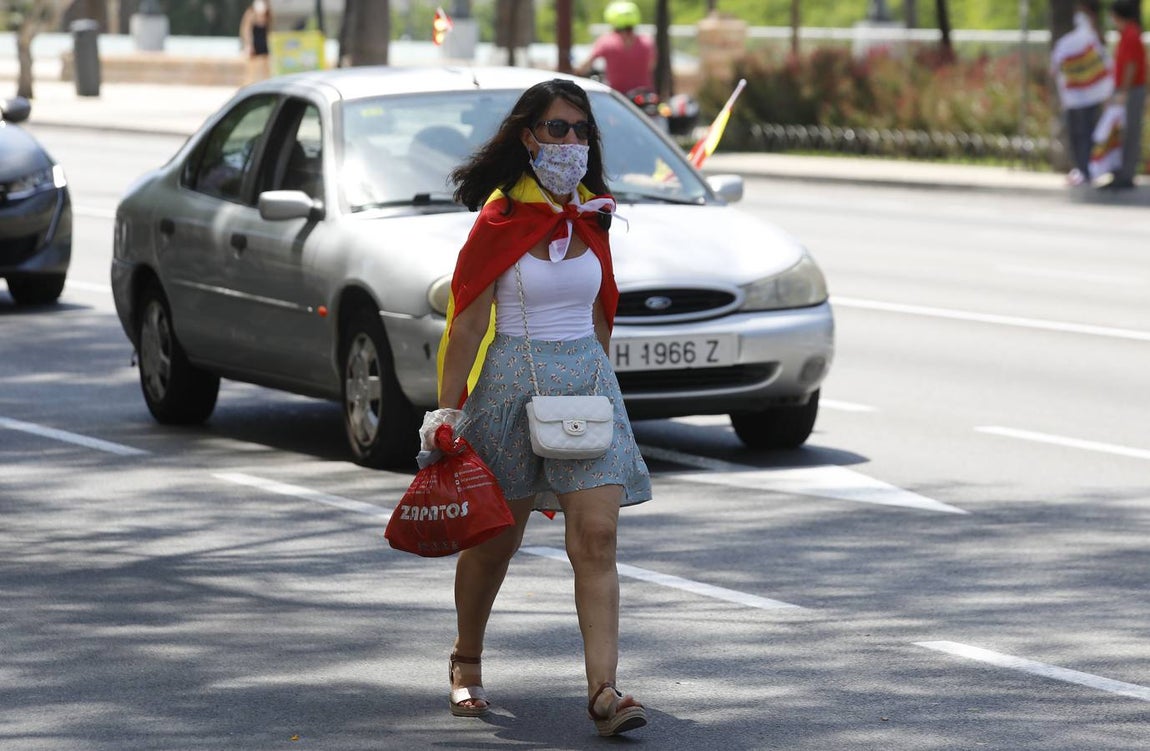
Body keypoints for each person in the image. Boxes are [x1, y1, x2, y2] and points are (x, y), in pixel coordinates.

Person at [432, 78, 652, 736]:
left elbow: (599, 308)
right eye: (558, 129)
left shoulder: (593, 214)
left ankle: (604, 692)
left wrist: (604, 381)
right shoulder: (501, 218)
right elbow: (466, 324)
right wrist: (444, 413)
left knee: (598, 537)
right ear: (528, 136)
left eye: (581, 131)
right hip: (510, 385)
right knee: (496, 543)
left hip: (585, 382)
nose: (572, 142)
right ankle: (466, 662)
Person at [1050, 1, 1113, 186]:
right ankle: (1082, 169)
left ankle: (1086, 170)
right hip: (1078, 97)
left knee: (1085, 134)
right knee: (1079, 135)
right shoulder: (1072, 38)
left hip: (1086, 97)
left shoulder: (1092, 36)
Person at [1104, 0, 1146, 189]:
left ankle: (1127, 175)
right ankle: (1119, 171)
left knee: (1130, 133)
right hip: (1126, 89)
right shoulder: (1127, 34)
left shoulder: (1130, 33)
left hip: (1131, 90)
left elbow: (1131, 65)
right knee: (1120, 133)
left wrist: (1124, 91)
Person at [575, 1, 655, 95]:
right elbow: (653, 66)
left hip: (618, 98)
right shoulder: (648, 42)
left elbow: (585, 66)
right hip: (645, 96)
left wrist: (576, 72)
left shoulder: (606, 41)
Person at [239, 0, 273, 85]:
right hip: (254, 44)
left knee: (266, 69)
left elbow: (269, 30)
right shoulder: (251, 13)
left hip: (264, 43)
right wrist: (248, 45)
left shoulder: (267, 13)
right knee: (251, 70)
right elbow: (246, 31)